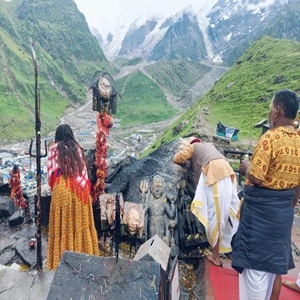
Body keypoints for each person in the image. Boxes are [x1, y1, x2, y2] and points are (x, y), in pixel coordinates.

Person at [231, 89, 300, 300]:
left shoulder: (270, 138)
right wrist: (288, 207)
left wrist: (245, 167)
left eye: (271, 109)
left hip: (260, 220)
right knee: (272, 273)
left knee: (255, 273)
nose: (270, 113)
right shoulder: (298, 141)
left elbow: (257, 177)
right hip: (283, 216)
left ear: (277, 110)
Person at [173, 137, 240, 266]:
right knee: (233, 212)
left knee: (216, 216)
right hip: (228, 173)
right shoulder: (209, 146)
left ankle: (216, 257)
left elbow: (178, 158)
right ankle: (235, 251)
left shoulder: (194, 147)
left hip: (216, 175)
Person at [46, 124, 99, 270]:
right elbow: (84, 173)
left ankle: (61, 265)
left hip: (61, 191)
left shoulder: (53, 149)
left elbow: (50, 175)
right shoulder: (77, 149)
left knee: (62, 227)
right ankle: (84, 262)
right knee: (80, 225)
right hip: (79, 191)